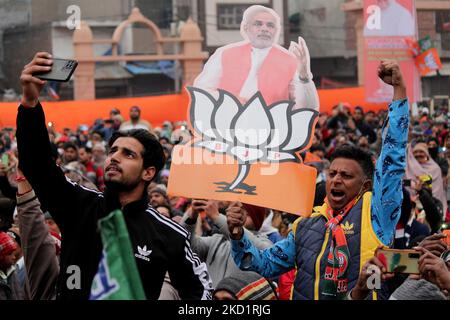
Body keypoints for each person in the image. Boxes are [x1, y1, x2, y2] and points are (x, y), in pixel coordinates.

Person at [16, 52, 213, 300]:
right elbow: (36, 165)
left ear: (148, 172)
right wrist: (30, 102)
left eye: (128, 154)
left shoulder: (168, 234)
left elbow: (202, 291)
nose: (114, 157)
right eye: (113, 151)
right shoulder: (79, 205)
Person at [227, 60, 410, 299]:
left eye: (346, 176)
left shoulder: (376, 213)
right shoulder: (304, 226)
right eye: (332, 173)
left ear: (366, 186)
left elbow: (392, 161)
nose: (335, 180)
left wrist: (400, 92)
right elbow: (263, 264)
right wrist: (238, 235)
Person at [194, 5, 319, 110]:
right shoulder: (224, 54)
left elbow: (307, 109)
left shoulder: (289, 61)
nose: (264, 29)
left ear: (276, 31)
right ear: (246, 28)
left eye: (270, 25)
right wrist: (229, 100)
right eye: (258, 24)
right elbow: (201, 91)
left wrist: (304, 76)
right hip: (227, 128)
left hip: (272, 131)